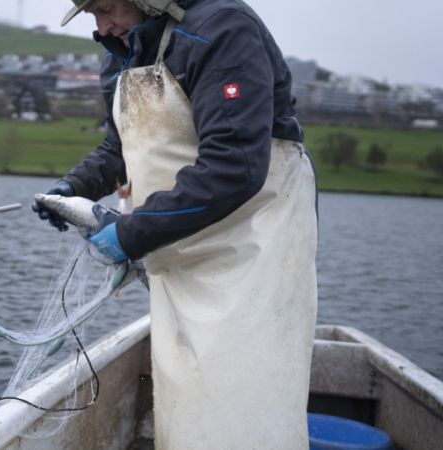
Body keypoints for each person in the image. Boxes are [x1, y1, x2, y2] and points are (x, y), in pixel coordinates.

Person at [32, 0, 319, 448]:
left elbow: (235, 165)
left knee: (246, 391)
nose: (103, 25)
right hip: (179, 250)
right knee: (185, 388)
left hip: (253, 247)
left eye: (107, 7)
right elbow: (121, 146)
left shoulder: (222, 28)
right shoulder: (123, 47)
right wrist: (74, 188)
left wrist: (129, 233)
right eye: (91, 16)